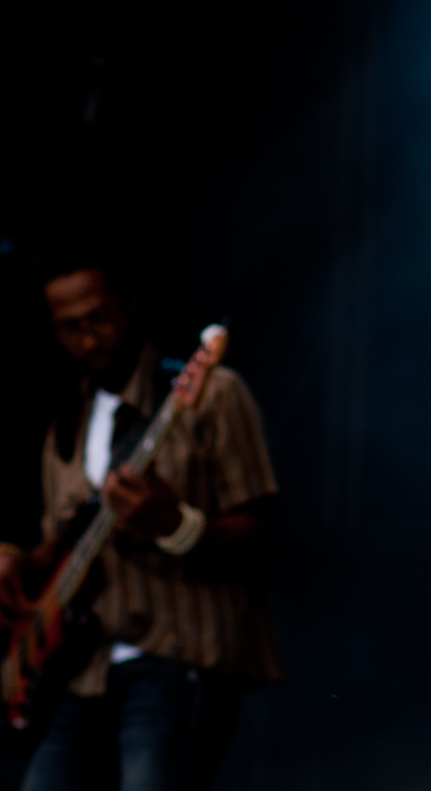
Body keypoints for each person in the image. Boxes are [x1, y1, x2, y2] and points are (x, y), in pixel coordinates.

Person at [0, 232, 282, 791]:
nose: (88, 337)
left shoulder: (211, 394)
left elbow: (263, 536)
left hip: (174, 660)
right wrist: (14, 563)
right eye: (70, 327)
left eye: (99, 317)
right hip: (81, 672)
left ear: (129, 303)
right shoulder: (65, 428)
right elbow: (60, 548)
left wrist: (175, 525)